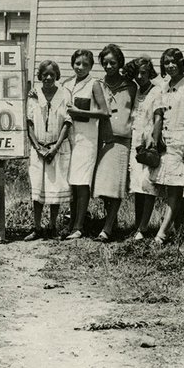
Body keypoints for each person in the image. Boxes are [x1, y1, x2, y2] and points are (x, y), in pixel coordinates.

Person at [152, 48, 184, 245]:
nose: (170, 66)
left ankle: (162, 233)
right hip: (167, 141)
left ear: (181, 63)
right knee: (173, 188)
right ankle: (179, 232)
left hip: (182, 142)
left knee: (174, 189)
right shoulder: (164, 86)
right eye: (167, 62)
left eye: (174, 62)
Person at [24, 60, 73, 240]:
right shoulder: (34, 95)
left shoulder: (64, 94)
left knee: (55, 189)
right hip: (38, 149)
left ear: (57, 75)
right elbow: (29, 123)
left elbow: (67, 122)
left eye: (52, 74)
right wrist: (38, 148)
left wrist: (55, 147)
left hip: (57, 149)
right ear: (40, 76)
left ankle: (52, 227)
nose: (49, 78)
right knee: (38, 190)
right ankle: (37, 227)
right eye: (45, 74)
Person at [64, 49, 110, 239]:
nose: (80, 67)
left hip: (87, 139)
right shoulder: (67, 84)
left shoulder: (94, 84)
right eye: (77, 63)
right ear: (72, 64)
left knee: (82, 183)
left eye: (85, 64)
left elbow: (105, 112)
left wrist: (80, 112)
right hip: (69, 138)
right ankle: (71, 222)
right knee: (71, 183)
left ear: (91, 66)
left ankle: (79, 226)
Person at [95, 44, 135, 241]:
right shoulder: (98, 85)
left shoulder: (131, 86)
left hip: (122, 140)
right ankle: (112, 221)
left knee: (116, 186)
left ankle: (108, 228)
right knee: (102, 185)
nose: (109, 66)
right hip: (102, 139)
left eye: (113, 62)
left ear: (120, 63)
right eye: (105, 63)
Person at [124, 56, 162, 240]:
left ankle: (144, 227)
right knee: (137, 185)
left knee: (147, 185)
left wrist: (154, 139)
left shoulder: (156, 91)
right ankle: (138, 225)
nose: (140, 76)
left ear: (150, 73)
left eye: (144, 73)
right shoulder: (137, 91)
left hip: (148, 142)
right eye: (137, 73)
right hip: (135, 142)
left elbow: (158, 117)